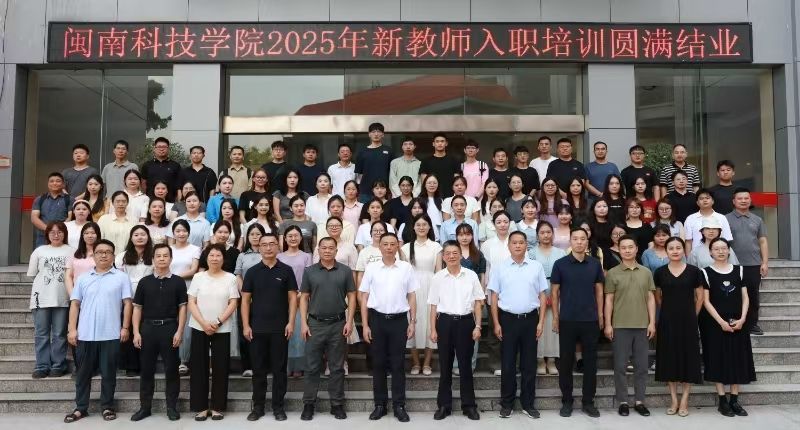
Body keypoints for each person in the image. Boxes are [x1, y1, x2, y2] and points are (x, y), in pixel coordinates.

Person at [64, 239, 132, 423]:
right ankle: (81, 408)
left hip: (111, 334)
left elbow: (127, 303)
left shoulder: (121, 277)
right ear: (93, 255)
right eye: (100, 252)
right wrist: (72, 329)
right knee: (83, 374)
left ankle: (107, 406)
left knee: (109, 374)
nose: (103, 255)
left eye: (108, 252)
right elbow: (75, 304)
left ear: (113, 256)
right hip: (85, 334)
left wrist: (125, 327)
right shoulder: (83, 278)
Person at [359, 232, 418, 422]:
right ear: (380, 246)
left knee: (398, 364)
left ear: (397, 246)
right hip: (377, 320)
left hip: (399, 321)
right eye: (385, 244)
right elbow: (364, 297)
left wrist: (412, 321)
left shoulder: (406, 268)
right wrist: (365, 325)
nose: (389, 247)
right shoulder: (372, 268)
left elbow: (412, 295)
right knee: (378, 364)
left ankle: (399, 405)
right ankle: (380, 405)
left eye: (393, 244)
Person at [489, 231, 549, 419]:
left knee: (529, 364)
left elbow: (542, 295)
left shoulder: (536, 267)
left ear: (526, 245)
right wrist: (496, 322)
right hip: (507, 320)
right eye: (514, 242)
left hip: (530, 320)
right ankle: (506, 403)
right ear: (509, 246)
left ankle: (528, 403)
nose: (517, 245)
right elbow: (494, 296)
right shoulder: (500, 268)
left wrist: (540, 322)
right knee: (507, 364)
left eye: (521, 242)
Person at [298, 236, 356, 421]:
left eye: (331, 248)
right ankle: (309, 404)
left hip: (338, 323)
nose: (327, 251)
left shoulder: (345, 271)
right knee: (312, 366)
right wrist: (304, 323)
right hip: (315, 324)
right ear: (319, 250)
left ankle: (337, 404)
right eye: (324, 248)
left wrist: (349, 321)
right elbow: (304, 297)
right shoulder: (310, 271)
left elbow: (352, 296)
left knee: (337, 367)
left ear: (336, 251)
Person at [242, 233, 298, 422]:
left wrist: (291, 322)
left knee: (279, 370)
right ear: (259, 248)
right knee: (258, 370)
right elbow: (245, 301)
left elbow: (293, 298)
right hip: (257, 328)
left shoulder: (286, 270)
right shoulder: (252, 272)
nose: (268, 247)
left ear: (277, 246)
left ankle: (278, 407)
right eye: (264, 244)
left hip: (279, 328)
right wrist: (246, 325)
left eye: (272, 244)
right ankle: (258, 407)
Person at [550, 227, 604, 418]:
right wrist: (555, 317)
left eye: (583, 239)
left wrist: (601, 315)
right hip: (567, 319)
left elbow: (599, 291)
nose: (579, 242)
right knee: (565, 363)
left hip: (590, 320)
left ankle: (588, 402)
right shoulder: (560, 264)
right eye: (575, 239)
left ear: (587, 242)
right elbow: (554, 293)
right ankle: (567, 401)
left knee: (590, 363)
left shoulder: (595, 264)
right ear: (570, 241)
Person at [130, 244, 187, 422]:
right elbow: (137, 308)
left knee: (172, 369)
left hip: (169, 328)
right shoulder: (144, 282)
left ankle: (172, 407)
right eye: (158, 256)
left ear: (171, 259)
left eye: (165, 255)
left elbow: (182, 308)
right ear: (153, 259)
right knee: (147, 370)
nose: (162, 258)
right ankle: (145, 407)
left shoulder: (178, 282)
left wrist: (179, 331)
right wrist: (136, 332)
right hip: (147, 329)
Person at [700, 238, 756, 417]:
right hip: (714, 324)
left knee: (737, 359)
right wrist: (721, 322)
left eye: (724, 248)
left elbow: (746, 297)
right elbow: (705, 301)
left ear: (729, 250)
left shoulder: (740, 271)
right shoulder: (705, 272)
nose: (721, 251)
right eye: (716, 249)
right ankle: (722, 400)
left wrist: (742, 319)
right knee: (717, 359)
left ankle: (734, 400)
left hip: (738, 322)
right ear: (710, 252)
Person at [428, 241, 484, 421]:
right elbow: (433, 305)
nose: (451, 256)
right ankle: (444, 406)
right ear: (443, 257)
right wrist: (433, 329)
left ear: (460, 255)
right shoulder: (438, 277)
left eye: (455, 253)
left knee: (465, 366)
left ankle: (469, 406)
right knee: (445, 366)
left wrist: (478, 326)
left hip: (466, 322)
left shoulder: (471, 275)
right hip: (444, 322)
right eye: (448, 253)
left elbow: (478, 303)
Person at [603, 235, 656, 417]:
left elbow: (650, 298)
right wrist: (608, 324)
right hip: (620, 325)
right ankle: (623, 401)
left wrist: (652, 322)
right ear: (619, 250)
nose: (627, 250)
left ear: (636, 249)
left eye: (630, 247)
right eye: (623, 247)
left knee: (642, 366)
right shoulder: (612, 273)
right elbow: (608, 300)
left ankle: (640, 401)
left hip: (642, 325)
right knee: (620, 366)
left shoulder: (646, 272)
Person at [187, 244, 239, 421]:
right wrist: (203, 323)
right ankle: (200, 407)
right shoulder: (198, 277)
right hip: (199, 326)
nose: (215, 258)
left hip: (221, 327)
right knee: (198, 367)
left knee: (221, 367)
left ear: (223, 258)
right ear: (206, 258)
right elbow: (191, 302)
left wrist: (217, 322)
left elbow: (233, 302)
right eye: (211, 255)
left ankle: (217, 407)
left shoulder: (230, 278)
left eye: (218, 255)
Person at [653, 236, 703, 417]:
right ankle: (674, 399)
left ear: (684, 250)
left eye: (678, 248)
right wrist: (668, 311)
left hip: (688, 321)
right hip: (667, 321)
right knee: (669, 358)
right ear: (666, 251)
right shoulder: (659, 272)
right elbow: (658, 296)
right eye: (671, 248)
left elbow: (700, 297)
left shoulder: (694, 271)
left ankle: (685, 399)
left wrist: (692, 315)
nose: (675, 251)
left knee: (688, 357)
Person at [28, 221, 73, 379]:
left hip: (63, 299)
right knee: (41, 334)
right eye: (52, 232)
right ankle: (42, 366)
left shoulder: (71, 251)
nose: (56, 235)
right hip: (41, 299)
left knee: (59, 334)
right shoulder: (39, 251)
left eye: (59, 232)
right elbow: (33, 274)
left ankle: (58, 365)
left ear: (64, 234)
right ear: (47, 234)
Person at [401, 214, 442, 375]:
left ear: (430, 226)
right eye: (418, 224)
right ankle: (416, 363)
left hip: (431, 287)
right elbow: (403, 272)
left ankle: (427, 363)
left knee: (430, 325)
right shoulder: (406, 248)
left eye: (424, 224)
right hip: (411, 289)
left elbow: (439, 272)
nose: (421, 227)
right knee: (413, 322)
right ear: (413, 227)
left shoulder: (436, 247)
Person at [726, 187, 769, 335]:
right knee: (731, 294)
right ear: (734, 201)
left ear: (750, 200)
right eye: (740, 198)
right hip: (732, 264)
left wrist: (765, 262)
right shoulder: (725, 219)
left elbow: (762, 241)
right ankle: (734, 321)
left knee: (753, 295)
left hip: (753, 264)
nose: (743, 201)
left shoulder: (757, 220)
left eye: (746, 198)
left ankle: (752, 324)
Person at [115, 225, 155, 377]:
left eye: (143, 234)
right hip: (128, 297)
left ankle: (146, 364)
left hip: (149, 297)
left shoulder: (154, 254)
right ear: (131, 238)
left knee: (146, 331)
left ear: (148, 237)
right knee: (129, 330)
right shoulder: (122, 256)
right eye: (136, 234)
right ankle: (131, 365)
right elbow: (119, 278)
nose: (140, 237)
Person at [529, 221, 566, 375]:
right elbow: (530, 276)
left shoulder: (561, 253)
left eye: (548, 232)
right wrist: (542, 296)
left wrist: (555, 295)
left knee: (553, 326)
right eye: (542, 232)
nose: (546, 235)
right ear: (537, 235)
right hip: (537, 292)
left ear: (553, 234)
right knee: (540, 326)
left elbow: (565, 276)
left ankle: (551, 360)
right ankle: (539, 360)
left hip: (557, 290)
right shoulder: (531, 253)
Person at [480, 210, 513, 375]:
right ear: (494, 225)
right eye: (499, 222)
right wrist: (485, 290)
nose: (502, 225)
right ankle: (496, 364)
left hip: (513, 290)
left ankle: (511, 363)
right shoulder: (487, 245)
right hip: (493, 290)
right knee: (495, 328)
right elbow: (486, 268)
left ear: (510, 224)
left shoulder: (515, 241)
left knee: (512, 330)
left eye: (505, 221)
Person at [277, 226, 312, 378]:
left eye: (296, 235)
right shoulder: (279, 256)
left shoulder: (307, 256)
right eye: (290, 236)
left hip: (300, 299)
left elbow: (308, 278)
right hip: (281, 300)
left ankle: (298, 366)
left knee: (298, 334)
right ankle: (285, 365)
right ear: (285, 239)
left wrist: (299, 295)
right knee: (284, 334)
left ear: (300, 238)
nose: (293, 238)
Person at [168, 219, 201, 376]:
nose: (181, 234)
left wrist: (174, 277)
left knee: (186, 324)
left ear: (188, 232)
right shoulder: (168, 249)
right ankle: (170, 357)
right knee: (170, 321)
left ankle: (183, 360)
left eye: (184, 231)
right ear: (173, 233)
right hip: (168, 287)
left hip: (187, 287)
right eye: (178, 231)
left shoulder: (195, 249)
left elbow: (194, 270)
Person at [234, 223, 265, 377]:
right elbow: (238, 275)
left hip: (264, 300)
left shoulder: (268, 254)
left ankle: (263, 365)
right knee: (245, 332)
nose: (255, 237)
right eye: (252, 234)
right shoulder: (242, 255)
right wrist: (245, 294)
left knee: (262, 332)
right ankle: (247, 366)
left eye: (258, 234)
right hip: (246, 300)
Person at [31, 172, 73, 247]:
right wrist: (49, 230)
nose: (54, 183)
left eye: (58, 181)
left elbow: (70, 218)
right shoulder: (40, 199)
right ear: (48, 184)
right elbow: (34, 218)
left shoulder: (70, 199)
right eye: (52, 181)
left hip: (62, 237)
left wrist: (58, 231)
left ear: (63, 184)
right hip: (43, 238)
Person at [355, 123, 393, 202]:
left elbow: (392, 172)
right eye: (373, 132)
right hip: (365, 192)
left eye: (378, 131)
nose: (376, 134)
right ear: (369, 134)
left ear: (383, 134)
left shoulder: (389, 151)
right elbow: (359, 175)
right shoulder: (362, 152)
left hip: (383, 192)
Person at [419, 132, 461, 198]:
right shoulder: (426, 161)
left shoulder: (454, 161)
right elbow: (424, 182)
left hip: (449, 196)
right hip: (432, 197)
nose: (440, 143)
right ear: (433, 144)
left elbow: (457, 181)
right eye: (437, 141)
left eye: (442, 141)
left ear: (446, 143)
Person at [65, 222, 101, 298]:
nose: (90, 236)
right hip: (78, 295)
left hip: (97, 295)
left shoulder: (102, 254)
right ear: (82, 235)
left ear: (98, 235)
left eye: (93, 233)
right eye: (86, 233)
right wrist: (73, 295)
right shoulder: (75, 254)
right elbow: (68, 276)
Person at [141, 137, 181, 201]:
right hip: (151, 201)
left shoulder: (175, 165)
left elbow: (179, 185)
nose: (161, 149)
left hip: (171, 201)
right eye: (159, 147)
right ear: (154, 149)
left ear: (168, 149)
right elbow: (143, 183)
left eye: (164, 147)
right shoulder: (147, 165)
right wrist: (145, 197)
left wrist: (177, 200)